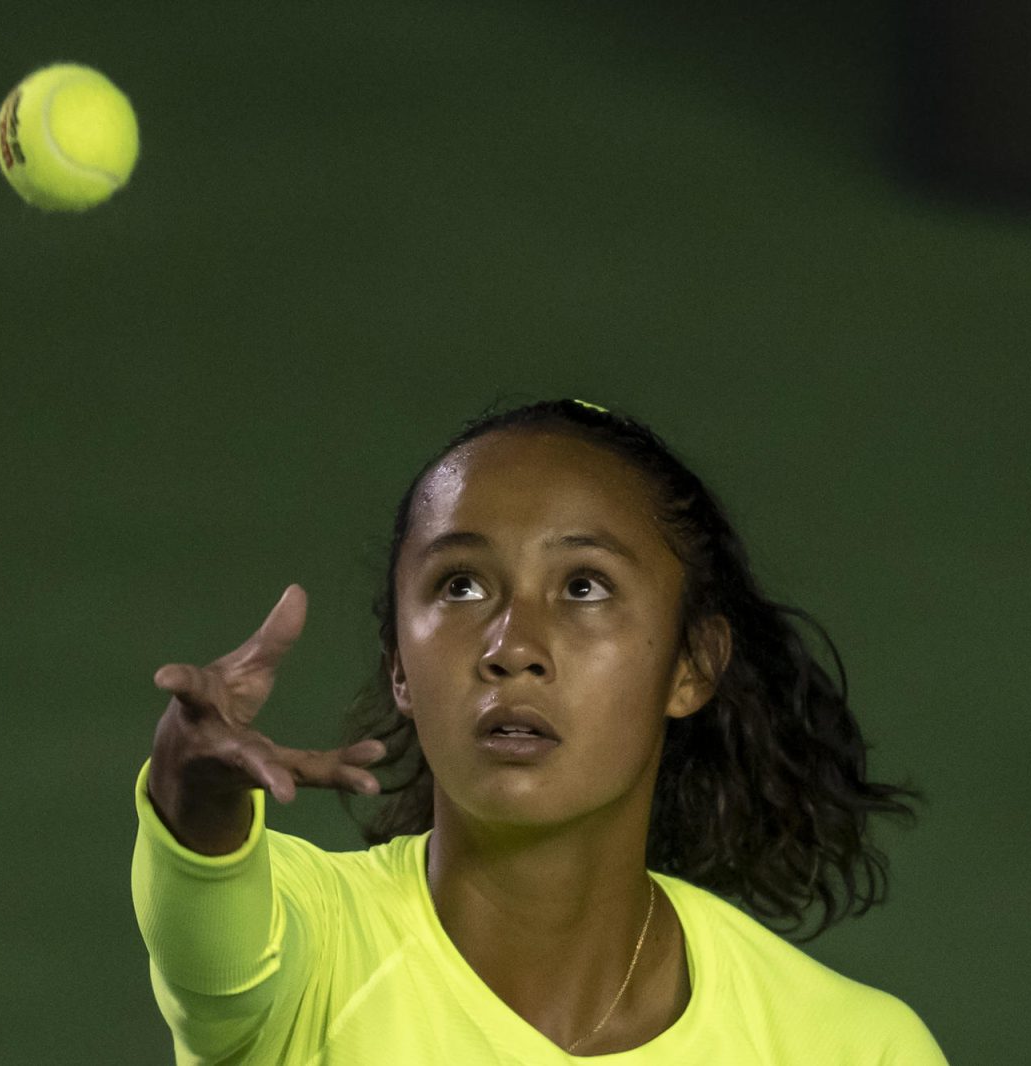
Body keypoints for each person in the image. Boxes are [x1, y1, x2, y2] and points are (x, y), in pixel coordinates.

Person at [131, 398, 949, 1063]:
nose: (511, 646)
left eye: (585, 587)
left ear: (692, 664)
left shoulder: (851, 1049)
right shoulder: (302, 944)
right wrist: (190, 789)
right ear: (399, 668)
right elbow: (213, 943)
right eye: (459, 586)